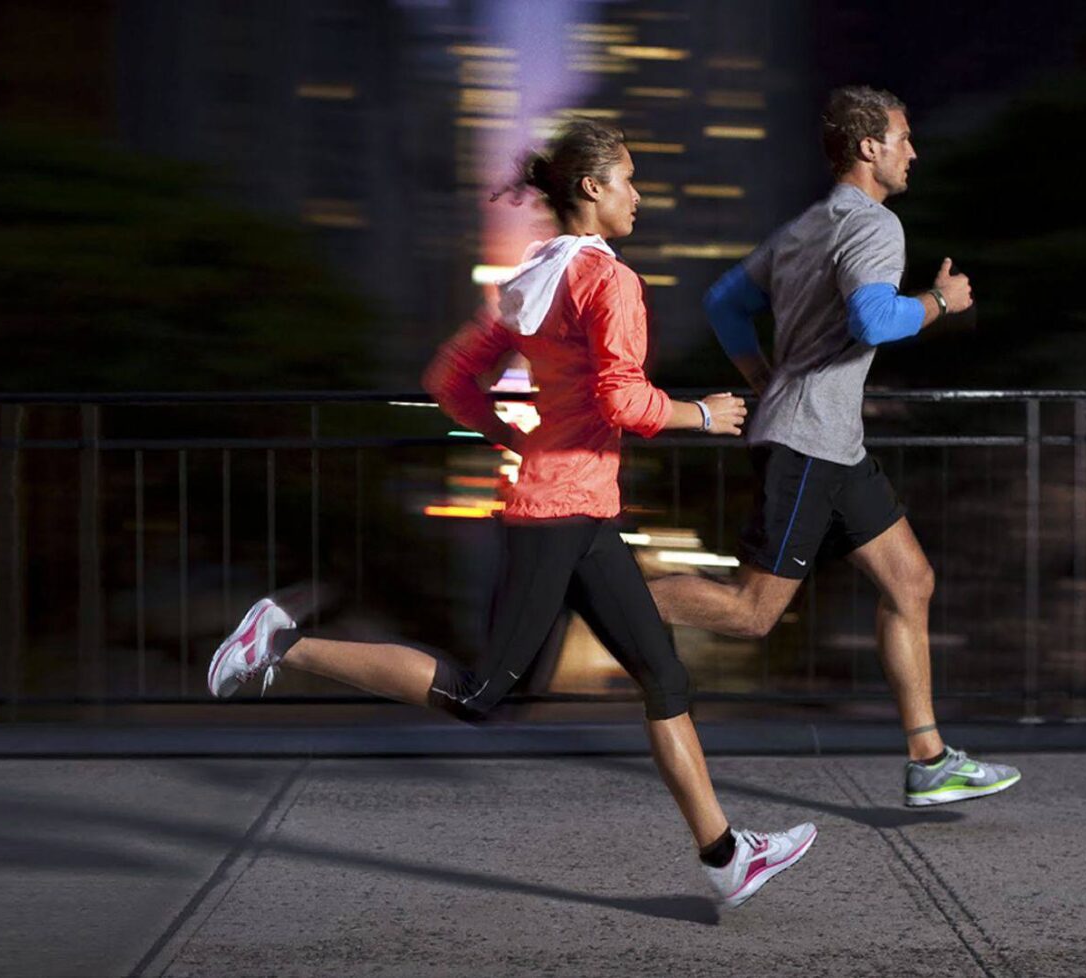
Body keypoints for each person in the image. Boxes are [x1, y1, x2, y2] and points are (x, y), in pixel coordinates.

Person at [208, 119, 814, 908]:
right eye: (628, 180)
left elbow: (451, 377)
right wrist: (701, 415)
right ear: (591, 189)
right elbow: (621, 400)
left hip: (582, 510)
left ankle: (724, 855)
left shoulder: (535, 274)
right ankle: (279, 643)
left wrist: (507, 431)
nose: (638, 196)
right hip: (557, 514)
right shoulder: (607, 280)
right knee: (482, 695)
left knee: (662, 674)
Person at [652, 86, 1021, 807]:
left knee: (909, 582)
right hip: (807, 445)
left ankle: (928, 760)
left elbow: (724, 301)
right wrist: (941, 302)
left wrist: (762, 374)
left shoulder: (808, 225)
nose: (913, 151)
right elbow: (874, 318)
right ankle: (609, 598)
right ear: (868, 147)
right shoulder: (875, 225)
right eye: (903, 138)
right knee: (753, 612)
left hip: (832, 443)